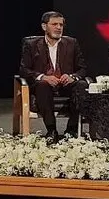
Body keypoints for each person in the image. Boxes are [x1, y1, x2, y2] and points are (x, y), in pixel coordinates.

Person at [18, 11, 87, 141]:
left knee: (82, 85)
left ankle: (71, 130)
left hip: (65, 85)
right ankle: (51, 130)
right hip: (44, 86)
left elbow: (82, 69)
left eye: (61, 24)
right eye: (54, 24)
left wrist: (72, 76)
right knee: (42, 85)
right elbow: (24, 69)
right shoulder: (32, 45)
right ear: (44, 26)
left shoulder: (72, 43)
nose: (59, 27)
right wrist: (43, 77)